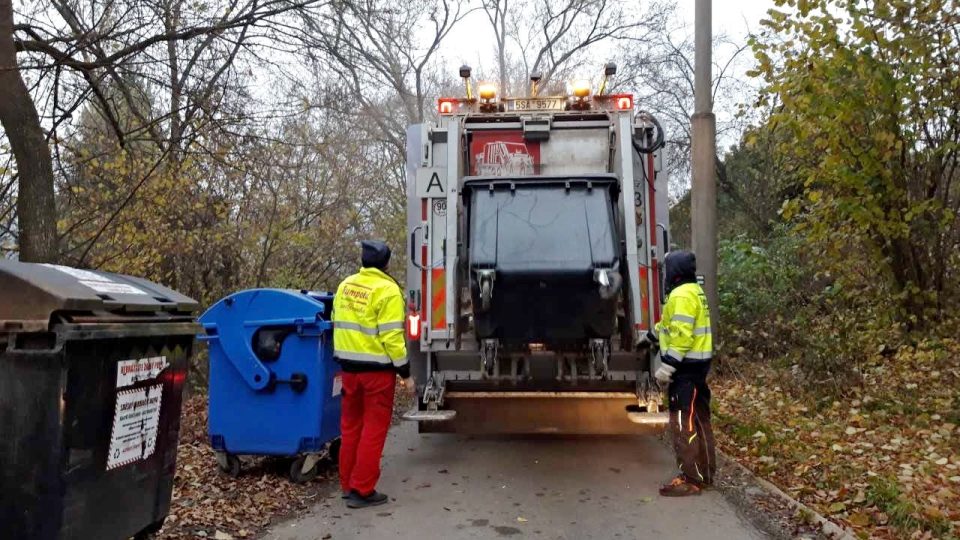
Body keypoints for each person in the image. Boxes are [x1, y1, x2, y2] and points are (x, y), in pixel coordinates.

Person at [333, 240, 414, 509]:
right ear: (386, 264)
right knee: (374, 429)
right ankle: (362, 489)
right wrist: (405, 372)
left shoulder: (346, 285)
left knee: (350, 426)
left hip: (348, 369)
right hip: (376, 373)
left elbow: (337, 322)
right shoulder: (388, 290)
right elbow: (392, 337)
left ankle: (347, 485)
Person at [649, 250, 716, 497]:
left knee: (682, 423)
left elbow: (682, 336)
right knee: (700, 420)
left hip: (685, 370)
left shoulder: (680, 295)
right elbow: (673, 326)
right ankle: (705, 474)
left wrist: (667, 367)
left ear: (673, 271)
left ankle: (690, 478)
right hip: (697, 369)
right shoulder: (693, 292)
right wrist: (652, 335)